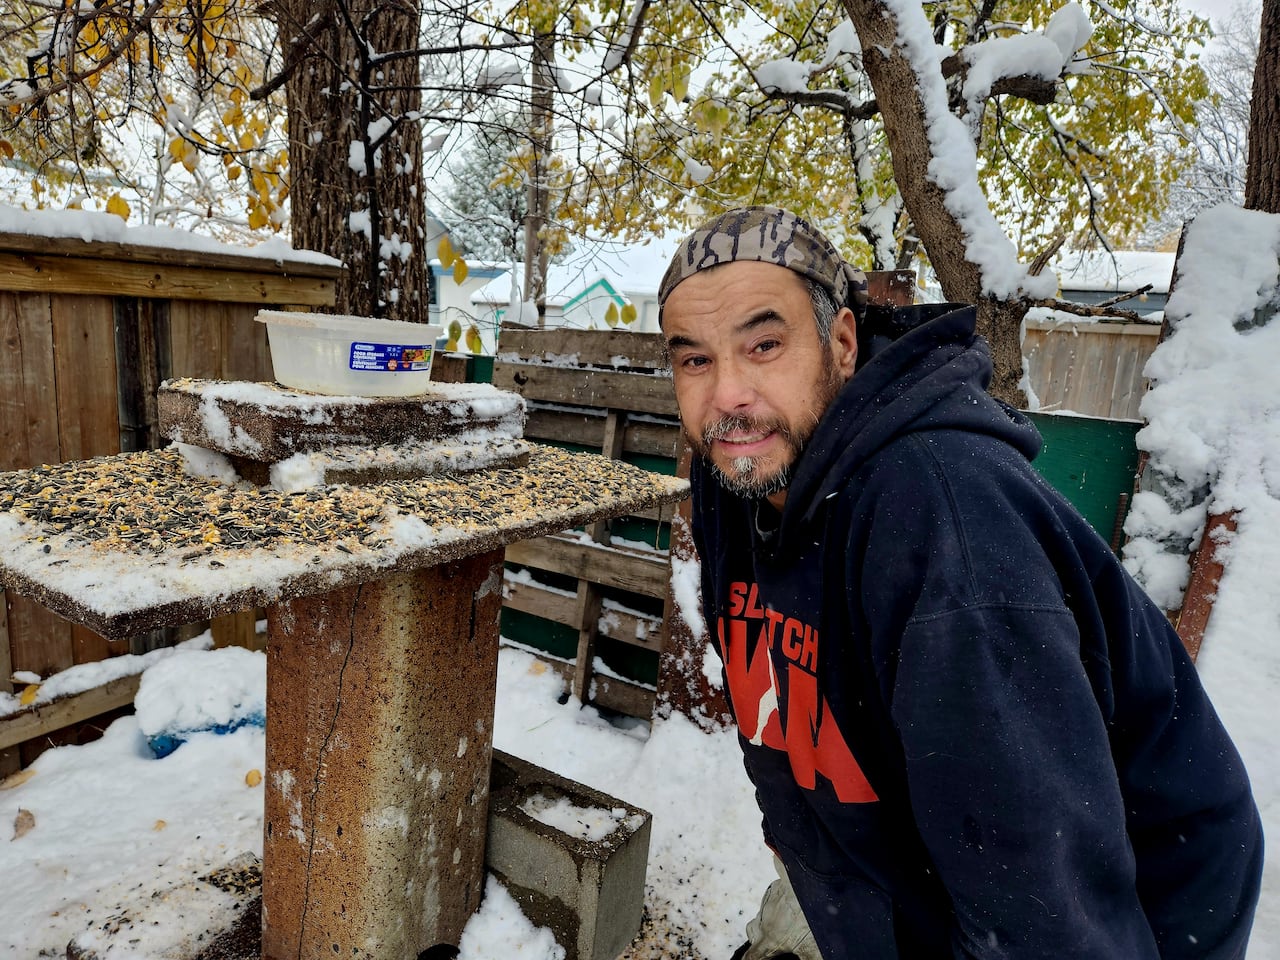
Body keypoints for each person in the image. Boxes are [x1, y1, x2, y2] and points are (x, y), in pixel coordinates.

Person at [657, 205, 1263, 960]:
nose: (728, 395)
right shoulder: (740, 476)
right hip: (916, 877)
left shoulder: (944, 524)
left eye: (765, 345)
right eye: (695, 360)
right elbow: (775, 690)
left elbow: (1039, 907)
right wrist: (796, 833)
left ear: (842, 343)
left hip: (1122, 909)